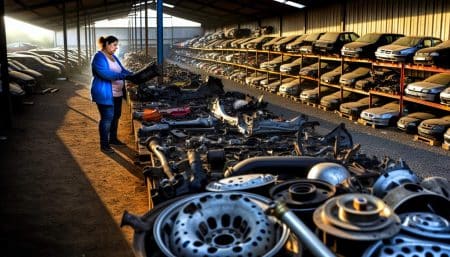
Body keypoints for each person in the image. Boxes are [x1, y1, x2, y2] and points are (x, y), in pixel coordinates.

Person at [91, 35, 132, 153]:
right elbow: (106, 74)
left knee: (115, 117)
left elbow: (122, 70)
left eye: (117, 45)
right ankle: (104, 145)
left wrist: (133, 74)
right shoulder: (99, 57)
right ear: (107, 44)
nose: (116, 48)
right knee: (107, 119)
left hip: (117, 94)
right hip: (105, 94)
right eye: (114, 45)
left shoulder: (113, 57)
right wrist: (124, 76)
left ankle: (113, 139)